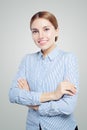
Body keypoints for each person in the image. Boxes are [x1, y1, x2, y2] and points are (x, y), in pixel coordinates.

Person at [9, 11, 79, 130]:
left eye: (46, 29)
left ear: (56, 31)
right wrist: (54, 95)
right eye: (35, 31)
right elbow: (13, 95)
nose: (40, 36)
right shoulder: (27, 60)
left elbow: (68, 106)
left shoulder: (68, 59)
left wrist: (33, 104)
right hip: (33, 126)